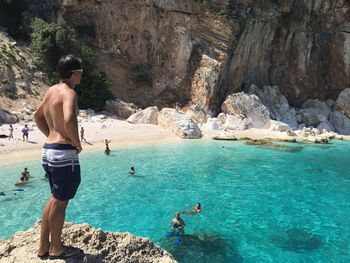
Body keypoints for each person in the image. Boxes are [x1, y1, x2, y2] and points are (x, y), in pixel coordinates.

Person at [34, 54, 84, 260]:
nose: (81, 76)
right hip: (63, 154)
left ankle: (43, 246)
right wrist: (75, 142)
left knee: (54, 198)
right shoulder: (69, 93)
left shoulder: (50, 91)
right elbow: (69, 118)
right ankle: (56, 248)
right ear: (74, 73)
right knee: (61, 201)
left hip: (49, 151)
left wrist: (51, 136)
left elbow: (37, 116)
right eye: (81, 73)